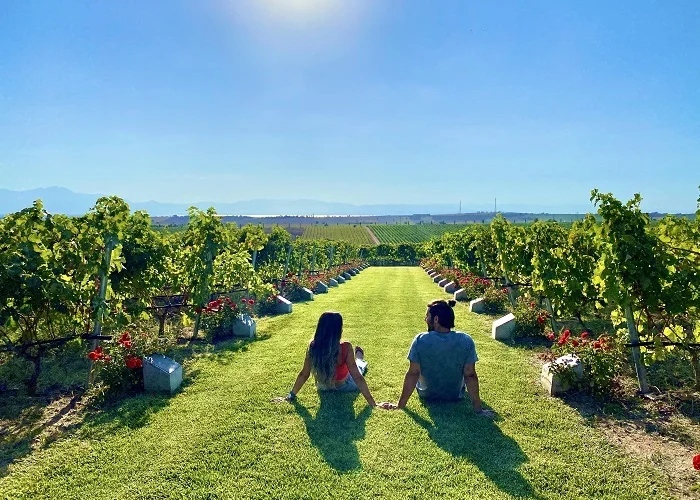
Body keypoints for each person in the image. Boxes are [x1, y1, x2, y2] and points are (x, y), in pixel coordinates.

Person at [381, 299, 494, 416]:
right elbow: (470, 375)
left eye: (427, 316)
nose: (425, 319)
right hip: (455, 395)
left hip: (427, 395)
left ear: (436, 319)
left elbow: (413, 373)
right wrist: (479, 410)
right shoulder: (466, 340)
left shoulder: (420, 340)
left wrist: (400, 405)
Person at [272, 311, 377, 407]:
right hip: (344, 386)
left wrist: (290, 396)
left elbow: (304, 374)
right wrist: (373, 404)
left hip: (323, 387)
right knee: (359, 368)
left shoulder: (313, 346)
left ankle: (359, 357)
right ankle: (359, 357)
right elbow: (357, 377)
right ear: (339, 329)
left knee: (355, 367)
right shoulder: (345, 347)